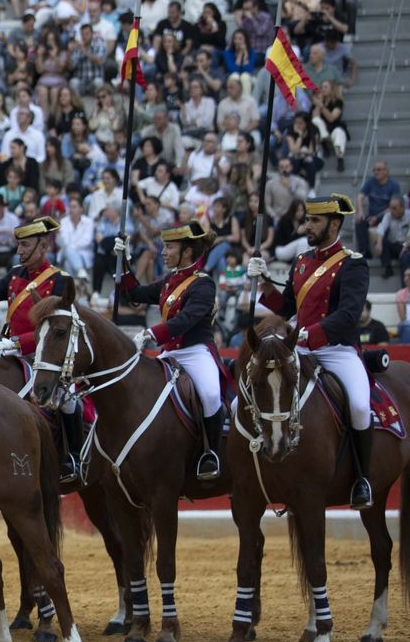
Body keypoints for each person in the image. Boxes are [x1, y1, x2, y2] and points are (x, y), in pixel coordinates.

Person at [249, 194, 374, 508]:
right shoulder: (302, 261)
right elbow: (289, 307)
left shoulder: (353, 263)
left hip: (338, 350)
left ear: (334, 224)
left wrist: (310, 333)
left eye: (314, 221)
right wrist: (265, 286)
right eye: (307, 220)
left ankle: (363, 479)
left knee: (359, 406)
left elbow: (348, 315)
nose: (307, 226)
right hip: (301, 348)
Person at [0, 216, 84, 481]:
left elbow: (55, 328)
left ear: (43, 246)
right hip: (9, 352)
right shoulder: (14, 275)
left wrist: (18, 343)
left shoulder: (59, 280)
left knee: (68, 402)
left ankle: (73, 459)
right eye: (19, 246)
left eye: (25, 245)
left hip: (44, 355)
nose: (19, 251)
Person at [114, 219, 225, 481]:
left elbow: (185, 320)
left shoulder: (203, 284)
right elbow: (135, 294)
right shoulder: (169, 281)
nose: (163, 252)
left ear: (187, 251)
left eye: (169, 247)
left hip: (196, 351)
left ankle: (210, 454)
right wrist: (124, 261)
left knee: (210, 394)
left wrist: (152, 333)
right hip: (169, 353)